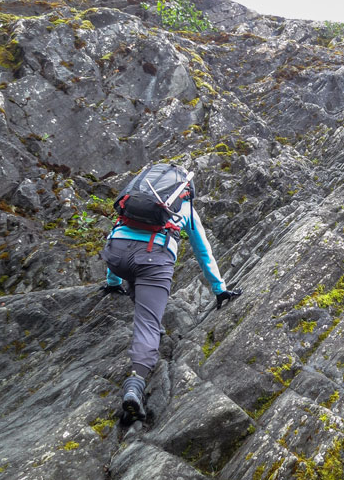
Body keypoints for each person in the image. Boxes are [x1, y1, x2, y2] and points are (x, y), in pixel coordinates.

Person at [101, 165, 240, 421]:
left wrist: (112, 280)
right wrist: (219, 290)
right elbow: (202, 252)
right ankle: (135, 384)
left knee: (137, 280)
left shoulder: (137, 198)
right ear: (185, 190)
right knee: (148, 325)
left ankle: (149, 318)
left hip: (115, 255)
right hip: (152, 261)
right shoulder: (184, 208)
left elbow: (119, 232)